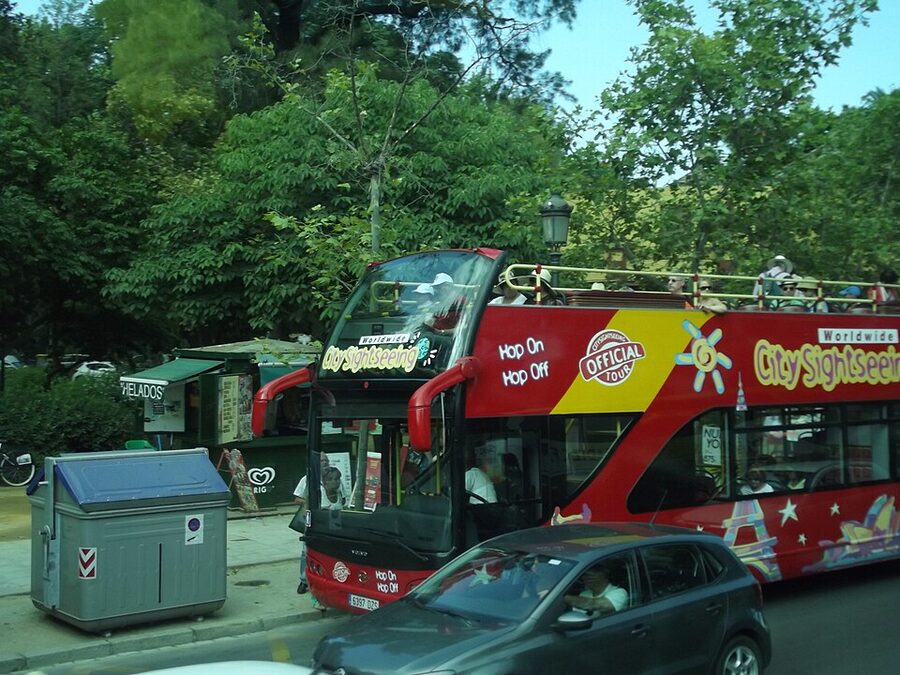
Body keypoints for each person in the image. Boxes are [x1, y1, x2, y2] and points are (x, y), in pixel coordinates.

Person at [564, 564, 628, 614]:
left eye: (589, 576)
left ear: (604, 576)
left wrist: (564, 598)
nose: (584, 579)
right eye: (585, 576)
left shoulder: (619, 593)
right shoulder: (584, 594)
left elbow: (598, 605)